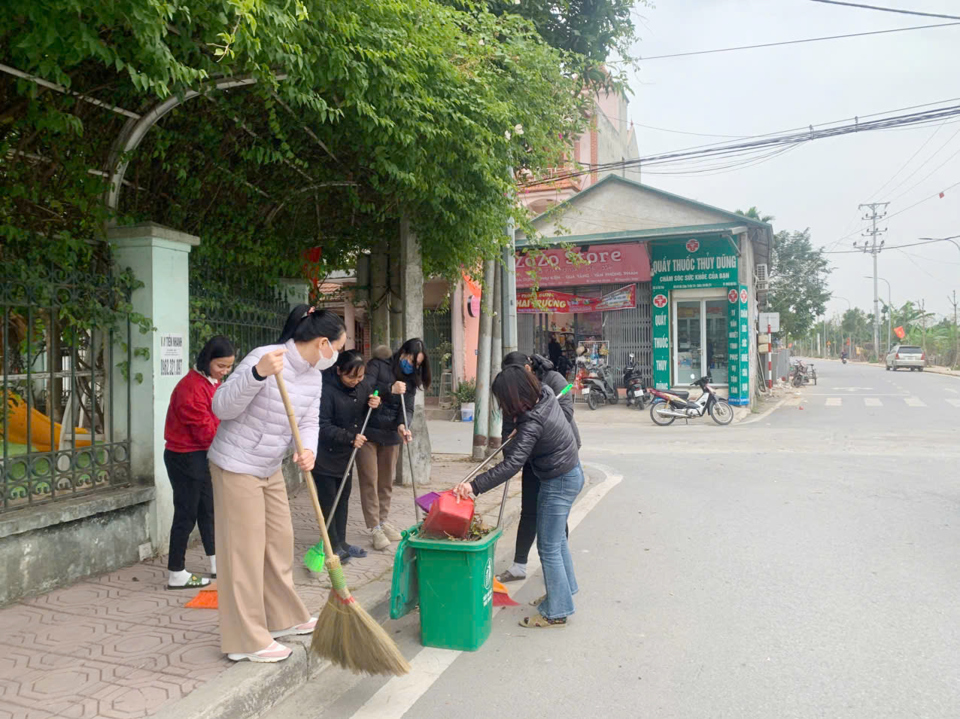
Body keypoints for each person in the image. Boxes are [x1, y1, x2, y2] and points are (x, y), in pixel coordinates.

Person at [207, 305, 346, 663]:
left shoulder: (314, 376)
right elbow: (221, 407)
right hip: (236, 465)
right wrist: (256, 374)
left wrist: (309, 451)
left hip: (269, 467)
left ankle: (282, 617)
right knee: (244, 552)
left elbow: (311, 421)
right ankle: (245, 639)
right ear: (322, 343)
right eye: (338, 348)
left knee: (279, 542)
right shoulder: (264, 357)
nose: (338, 356)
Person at [453, 365, 582, 628]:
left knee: (548, 548)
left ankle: (557, 611)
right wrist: (519, 431)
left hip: (558, 482)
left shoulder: (532, 423)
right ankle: (564, 593)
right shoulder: (544, 394)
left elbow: (511, 465)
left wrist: (474, 486)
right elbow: (530, 430)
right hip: (570, 473)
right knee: (556, 542)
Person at [496, 352, 579, 584]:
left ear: (527, 368)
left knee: (553, 525)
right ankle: (519, 565)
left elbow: (565, 415)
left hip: (558, 458)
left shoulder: (552, 383)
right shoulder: (512, 390)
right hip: (532, 458)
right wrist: (511, 451)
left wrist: (528, 430)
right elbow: (507, 430)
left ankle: (557, 574)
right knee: (529, 510)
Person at [163, 336, 235, 589]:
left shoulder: (211, 382)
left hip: (201, 453)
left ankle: (216, 563)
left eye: (228, 367)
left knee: (208, 509)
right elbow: (206, 429)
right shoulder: (190, 388)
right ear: (207, 360)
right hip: (185, 456)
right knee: (186, 513)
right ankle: (176, 572)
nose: (225, 372)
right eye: (221, 366)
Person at [358, 339, 431, 550]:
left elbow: (407, 408)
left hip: (391, 435)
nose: (411, 365)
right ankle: (374, 528)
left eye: (416, 364)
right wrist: (389, 388)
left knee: (385, 482)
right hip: (368, 432)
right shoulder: (378, 365)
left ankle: (382, 520)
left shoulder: (411, 380)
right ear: (402, 352)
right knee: (369, 480)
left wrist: (402, 425)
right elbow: (365, 387)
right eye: (410, 359)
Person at [314, 350, 381, 563]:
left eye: (360, 377)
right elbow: (322, 425)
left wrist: (374, 403)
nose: (356, 381)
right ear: (338, 371)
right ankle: (331, 546)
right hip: (325, 455)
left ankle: (341, 543)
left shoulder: (362, 388)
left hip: (346, 456)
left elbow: (369, 410)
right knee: (328, 502)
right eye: (350, 377)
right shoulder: (326, 391)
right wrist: (349, 437)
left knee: (342, 499)